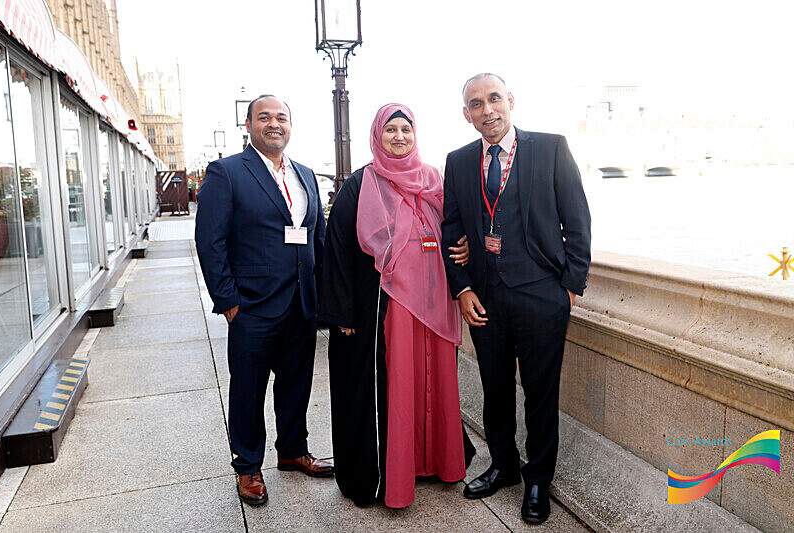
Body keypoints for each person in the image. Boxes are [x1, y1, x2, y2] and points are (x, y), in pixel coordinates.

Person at [441, 74, 591, 524]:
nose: (487, 109)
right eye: (476, 103)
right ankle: (504, 465)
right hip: (485, 298)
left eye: (493, 99)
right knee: (495, 388)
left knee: (541, 393)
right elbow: (451, 229)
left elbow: (577, 223)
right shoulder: (458, 161)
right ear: (466, 114)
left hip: (542, 296)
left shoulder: (550, 148)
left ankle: (538, 478)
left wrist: (568, 290)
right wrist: (462, 288)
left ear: (510, 100)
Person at [319, 103, 475, 509]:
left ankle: (433, 461)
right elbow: (337, 249)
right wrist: (342, 312)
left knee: (431, 383)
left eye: (406, 129)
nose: (399, 136)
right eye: (391, 130)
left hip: (433, 311)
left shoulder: (434, 180)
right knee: (394, 386)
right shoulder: (361, 185)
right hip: (386, 312)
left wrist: (464, 247)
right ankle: (391, 473)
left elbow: (455, 228)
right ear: (378, 135)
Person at [195, 95, 332, 506]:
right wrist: (228, 300)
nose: (274, 124)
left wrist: (324, 294)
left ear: (290, 125)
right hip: (252, 305)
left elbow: (318, 237)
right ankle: (248, 467)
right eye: (265, 117)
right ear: (249, 124)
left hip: (301, 303)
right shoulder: (226, 172)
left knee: (296, 384)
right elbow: (210, 240)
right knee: (248, 390)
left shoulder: (305, 174)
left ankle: (292, 450)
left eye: (281, 118)